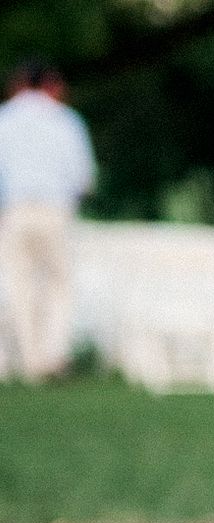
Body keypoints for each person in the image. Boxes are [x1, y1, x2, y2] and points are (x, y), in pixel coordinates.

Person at [0, 61, 96, 380]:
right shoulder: (64, 120)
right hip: (55, 210)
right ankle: (53, 356)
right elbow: (83, 177)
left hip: (15, 211)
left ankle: (30, 361)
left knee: (22, 284)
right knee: (59, 284)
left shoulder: (5, 120)